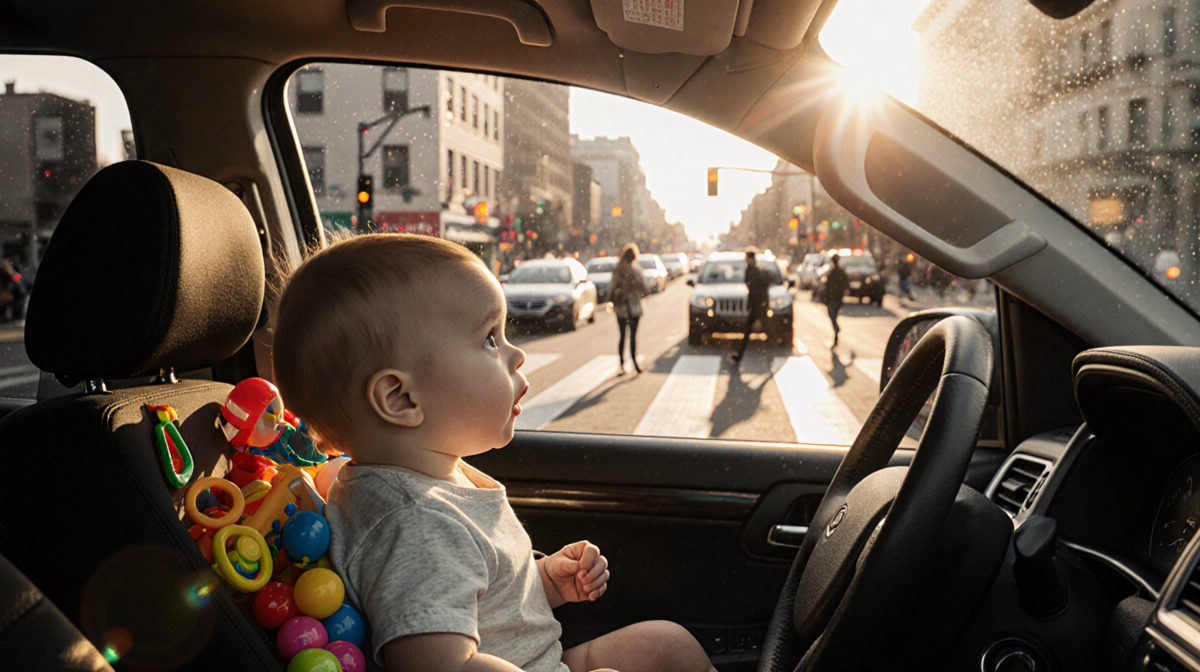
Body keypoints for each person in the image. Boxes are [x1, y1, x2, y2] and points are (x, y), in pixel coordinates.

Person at [273, 234, 714, 672]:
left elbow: (482, 598)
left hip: (541, 658)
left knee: (665, 645)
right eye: (490, 339)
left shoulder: (434, 480)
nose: (517, 354)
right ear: (400, 398)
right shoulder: (416, 523)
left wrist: (544, 582)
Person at [609, 243, 648, 375]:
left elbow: (611, 288)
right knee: (633, 336)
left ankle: (621, 364)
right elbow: (644, 289)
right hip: (634, 307)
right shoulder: (636, 271)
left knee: (622, 336)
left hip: (620, 308)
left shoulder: (617, 270)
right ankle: (634, 362)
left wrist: (613, 300)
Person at [731, 248, 770, 363]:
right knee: (763, 330)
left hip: (757, 304)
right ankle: (767, 356)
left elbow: (754, 287)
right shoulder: (756, 270)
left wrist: (757, 302)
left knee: (750, 331)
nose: (745, 260)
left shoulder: (753, 271)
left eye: (747, 258)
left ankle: (740, 355)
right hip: (759, 304)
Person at [823, 253, 850, 347]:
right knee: (833, 315)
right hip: (836, 297)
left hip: (834, 298)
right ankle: (836, 332)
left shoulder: (835, 272)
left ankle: (836, 329)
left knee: (832, 315)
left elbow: (829, 286)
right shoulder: (836, 272)